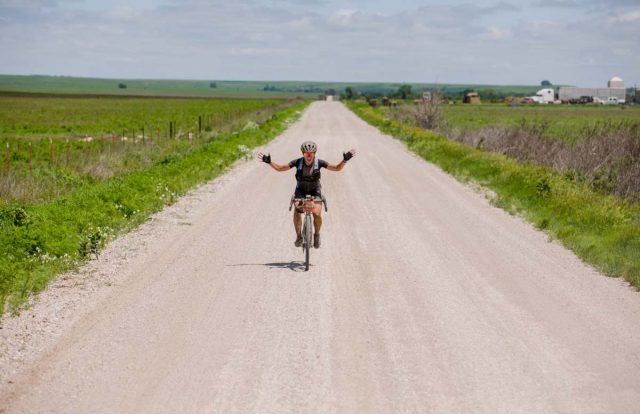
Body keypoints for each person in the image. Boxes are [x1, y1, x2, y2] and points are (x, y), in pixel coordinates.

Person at [258, 141, 355, 248]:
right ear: (302, 153)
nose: (309, 156)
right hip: (300, 190)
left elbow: (337, 168)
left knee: (317, 214)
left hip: (315, 190)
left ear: (315, 153)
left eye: (311, 154)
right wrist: (269, 162)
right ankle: (299, 236)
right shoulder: (297, 162)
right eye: (306, 154)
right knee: (297, 211)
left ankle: (316, 234)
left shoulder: (320, 163)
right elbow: (280, 168)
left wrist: (345, 160)